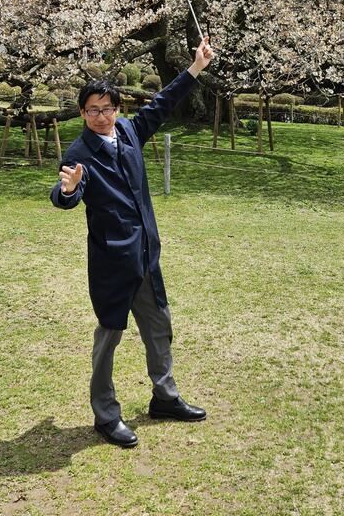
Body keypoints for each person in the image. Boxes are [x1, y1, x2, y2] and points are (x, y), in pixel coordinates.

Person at [51, 38, 215, 448]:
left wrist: (195, 68)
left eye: (107, 108)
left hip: (146, 255)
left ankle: (165, 397)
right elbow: (65, 195)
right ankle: (106, 415)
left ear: (117, 109)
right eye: (93, 110)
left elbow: (161, 105)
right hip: (112, 262)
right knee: (109, 338)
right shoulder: (79, 154)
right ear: (82, 112)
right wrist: (68, 189)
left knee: (159, 327)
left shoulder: (127, 131)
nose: (101, 116)